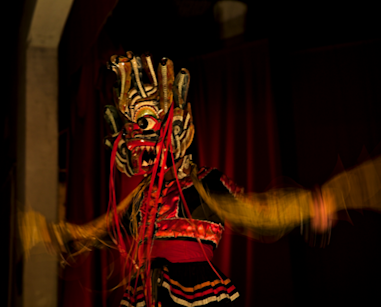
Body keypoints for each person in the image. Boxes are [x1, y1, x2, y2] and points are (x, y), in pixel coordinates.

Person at [19, 51, 381, 307]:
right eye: (131, 132)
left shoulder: (205, 184)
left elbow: (258, 212)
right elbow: (98, 231)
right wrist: (54, 233)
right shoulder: (140, 199)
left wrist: (312, 203)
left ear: (176, 129)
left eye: (145, 126)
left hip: (195, 292)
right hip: (145, 294)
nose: (134, 141)